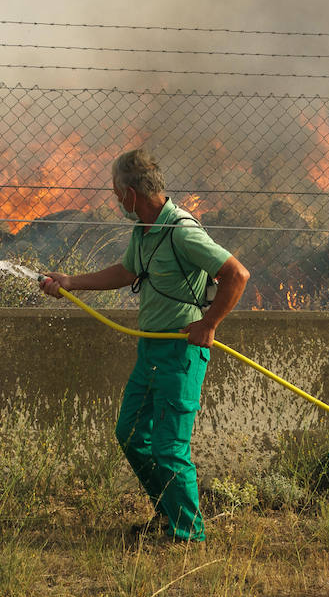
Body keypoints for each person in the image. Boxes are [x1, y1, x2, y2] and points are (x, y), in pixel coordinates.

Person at [40, 148, 249, 543]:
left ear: (132, 194)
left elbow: (236, 273)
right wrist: (70, 282)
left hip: (181, 353)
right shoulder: (143, 231)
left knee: (170, 448)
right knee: (132, 435)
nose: (117, 199)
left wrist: (209, 324)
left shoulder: (182, 231)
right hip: (150, 352)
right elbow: (127, 271)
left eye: (118, 192)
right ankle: (169, 515)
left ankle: (188, 536)